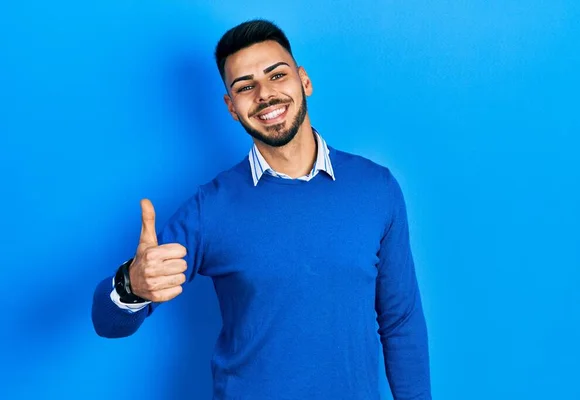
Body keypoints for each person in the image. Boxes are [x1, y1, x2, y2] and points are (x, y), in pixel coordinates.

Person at [92, 19, 431, 400]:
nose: (265, 94)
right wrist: (130, 286)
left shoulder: (376, 188)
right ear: (231, 108)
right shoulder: (211, 207)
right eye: (245, 87)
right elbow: (108, 322)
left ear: (304, 81)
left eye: (277, 75)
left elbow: (400, 322)